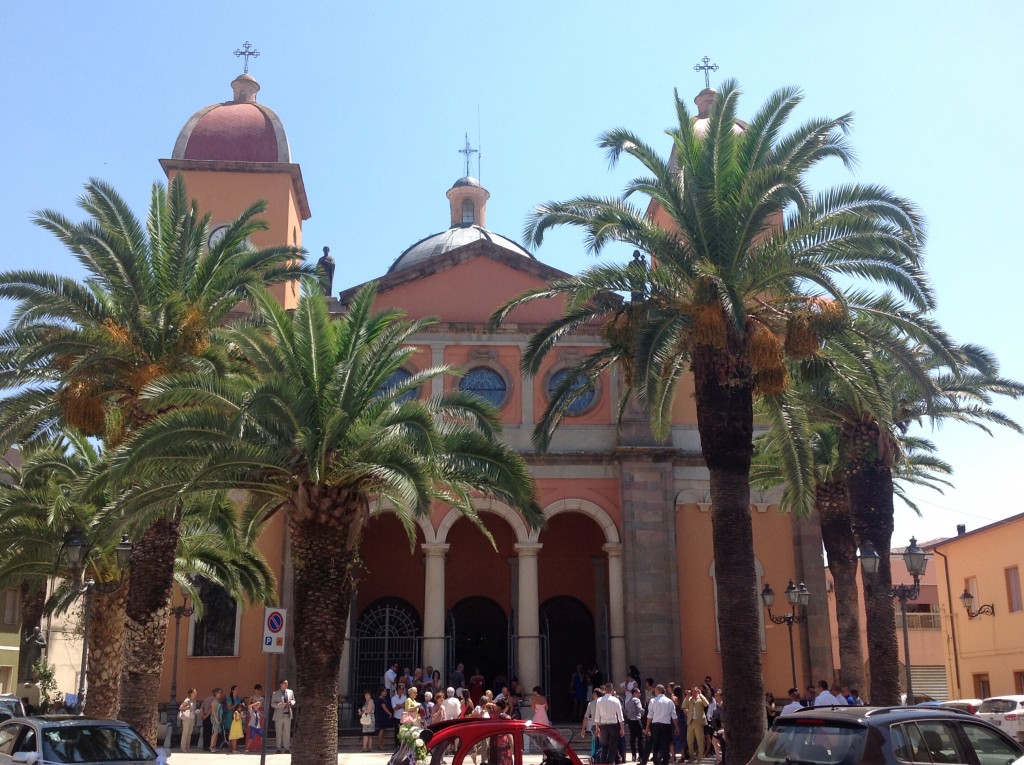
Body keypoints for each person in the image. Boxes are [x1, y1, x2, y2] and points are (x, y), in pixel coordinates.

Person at [644, 684, 678, 765]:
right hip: (666, 725)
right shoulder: (669, 701)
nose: (654, 691)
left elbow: (650, 715)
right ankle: (665, 762)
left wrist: (647, 727)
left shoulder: (653, 701)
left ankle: (656, 761)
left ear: (658, 690)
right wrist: (677, 727)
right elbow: (674, 716)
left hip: (656, 725)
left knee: (656, 745)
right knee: (666, 745)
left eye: (655, 690)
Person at [595, 683, 625, 764]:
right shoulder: (616, 700)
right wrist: (622, 728)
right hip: (613, 725)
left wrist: (597, 727)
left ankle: (602, 762)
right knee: (613, 746)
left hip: (603, 725)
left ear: (605, 690)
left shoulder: (599, 700)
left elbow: (597, 716)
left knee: (604, 745)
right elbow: (620, 715)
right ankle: (609, 762)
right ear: (612, 690)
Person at [682, 686, 709, 762]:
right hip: (690, 721)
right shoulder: (689, 699)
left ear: (698, 691)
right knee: (689, 740)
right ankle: (692, 757)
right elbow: (683, 706)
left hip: (698, 721)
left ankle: (700, 758)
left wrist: (701, 695)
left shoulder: (701, 699)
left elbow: (706, 704)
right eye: (692, 691)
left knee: (700, 740)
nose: (693, 692)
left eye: (695, 691)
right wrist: (687, 696)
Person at [271, 679, 296, 753]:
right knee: (278, 732)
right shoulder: (275, 693)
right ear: (281, 684)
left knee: (287, 732)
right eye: (285, 683)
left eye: (287, 683)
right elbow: (272, 704)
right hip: (279, 715)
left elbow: (293, 700)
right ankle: (278, 748)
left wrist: (291, 703)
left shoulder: (290, 692)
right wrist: (279, 705)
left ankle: (287, 748)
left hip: (287, 715)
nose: (286, 684)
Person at [625, 686, 644, 762]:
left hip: (630, 720)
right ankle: (641, 755)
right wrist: (646, 713)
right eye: (639, 693)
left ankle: (633, 755)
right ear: (635, 693)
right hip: (636, 720)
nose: (640, 694)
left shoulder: (628, 701)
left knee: (632, 738)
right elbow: (640, 709)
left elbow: (625, 711)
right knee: (640, 738)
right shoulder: (637, 700)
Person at [200, 687, 222, 752]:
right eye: (219, 692)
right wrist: (207, 716)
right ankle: (211, 746)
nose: (220, 694)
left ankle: (206, 747)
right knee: (212, 732)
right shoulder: (214, 700)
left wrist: (203, 716)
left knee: (206, 732)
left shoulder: (207, 699)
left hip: (206, 716)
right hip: (210, 717)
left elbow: (202, 707)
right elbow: (212, 709)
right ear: (215, 693)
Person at [178, 688, 197, 753]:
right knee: (185, 732)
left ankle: (187, 747)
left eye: (196, 692)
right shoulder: (187, 700)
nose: (195, 693)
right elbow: (180, 708)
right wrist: (186, 707)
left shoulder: (194, 701)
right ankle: (183, 748)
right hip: (186, 718)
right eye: (194, 692)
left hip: (191, 718)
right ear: (190, 693)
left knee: (189, 733)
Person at [247, 684, 265, 753]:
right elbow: (248, 706)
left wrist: (262, 715)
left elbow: (263, 708)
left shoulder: (262, 698)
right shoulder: (251, 697)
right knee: (251, 732)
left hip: (259, 715)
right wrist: (254, 704)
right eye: (258, 689)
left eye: (260, 690)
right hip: (252, 715)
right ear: (255, 690)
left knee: (259, 731)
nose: (259, 691)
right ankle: (250, 747)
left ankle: (258, 747)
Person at [375, 687, 393, 751]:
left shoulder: (382, 699)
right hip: (381, 716)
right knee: (381, 730)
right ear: (381, 692)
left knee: (383, 730)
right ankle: (380, 745)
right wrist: (390, 713)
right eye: (384, 691)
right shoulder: (380, 699)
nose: (386, 692)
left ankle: (381, 745)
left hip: (383, 716)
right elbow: (384, 708)